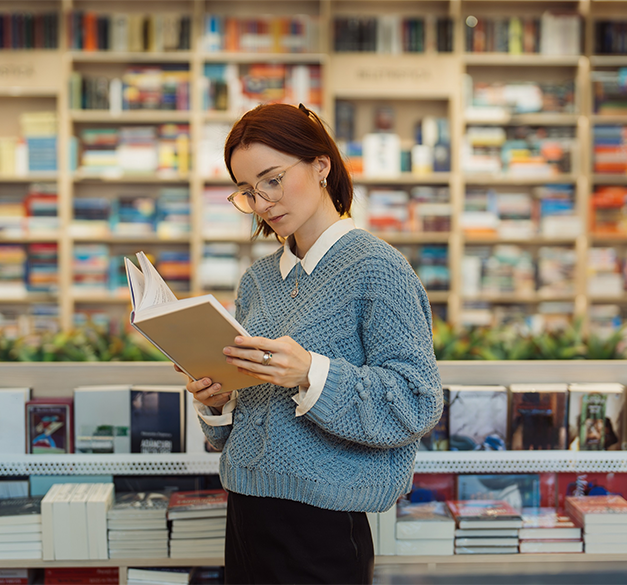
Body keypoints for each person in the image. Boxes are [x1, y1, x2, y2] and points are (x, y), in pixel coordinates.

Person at [179, 102, 443, 584]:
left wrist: (310, 373)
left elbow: (417, 401)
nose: (262, 203)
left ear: (321, 165)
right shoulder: (258, 280)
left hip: (323, 526)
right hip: (244, 515)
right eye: (247, 192)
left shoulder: (377, 268)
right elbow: (231, 432)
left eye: (273, 180)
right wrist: (217, 400)